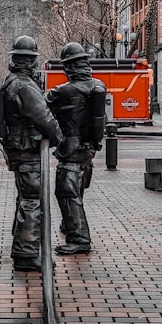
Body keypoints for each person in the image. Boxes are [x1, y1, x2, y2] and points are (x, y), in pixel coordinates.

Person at [0, 35, 63, 272]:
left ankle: (23, 249)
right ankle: (26, 254)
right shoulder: (24, 85)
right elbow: (44, 118)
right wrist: (59, 139)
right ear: (31, 61)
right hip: (27, 151)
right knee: (32, 201)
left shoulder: (12, 81)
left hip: (19, 150)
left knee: (25, 198)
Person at [46, 42, 105, 255]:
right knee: (77, 188)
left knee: (66, 192)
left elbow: (43, 113)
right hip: (88, 149)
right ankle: (68, 224)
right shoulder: (99, 85)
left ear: (69, 67)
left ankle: (79, 238)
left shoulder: (63, 91)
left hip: (70, 149)